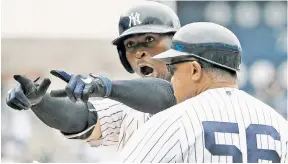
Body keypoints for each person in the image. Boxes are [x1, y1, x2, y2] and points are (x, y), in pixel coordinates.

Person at [6, 1, 180, 152]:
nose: (139, 52)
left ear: (177, 44)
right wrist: (40, 102)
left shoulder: (201, 88)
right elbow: (81, 118)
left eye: (150, 39)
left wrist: (106, 86)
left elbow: (168, 96)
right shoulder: (128, 108)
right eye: (130, 45)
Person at [119, 22, 288, 163]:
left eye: (173, 69)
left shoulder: (174, 121)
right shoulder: (280, 124)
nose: (171, 79)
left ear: (194, 70)